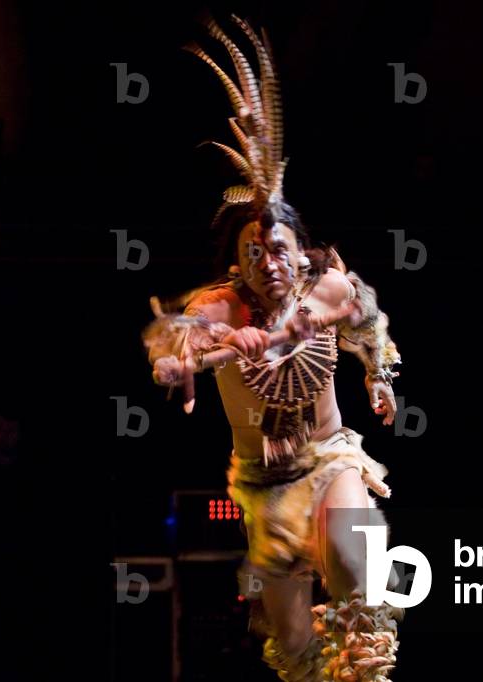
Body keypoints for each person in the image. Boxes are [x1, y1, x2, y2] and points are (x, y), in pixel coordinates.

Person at [143, 16, 403, 681]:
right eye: (253, 253)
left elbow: (363, 321)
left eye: (279, 249)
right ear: (236, 260)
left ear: (300, 249)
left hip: (328, 458)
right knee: (291, 642)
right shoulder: (219, 307)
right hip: (262, 484)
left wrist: (378, 379)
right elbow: (178, 344)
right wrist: (196, 354)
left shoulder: (326, 285)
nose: (270, 263)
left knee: (354, 551)